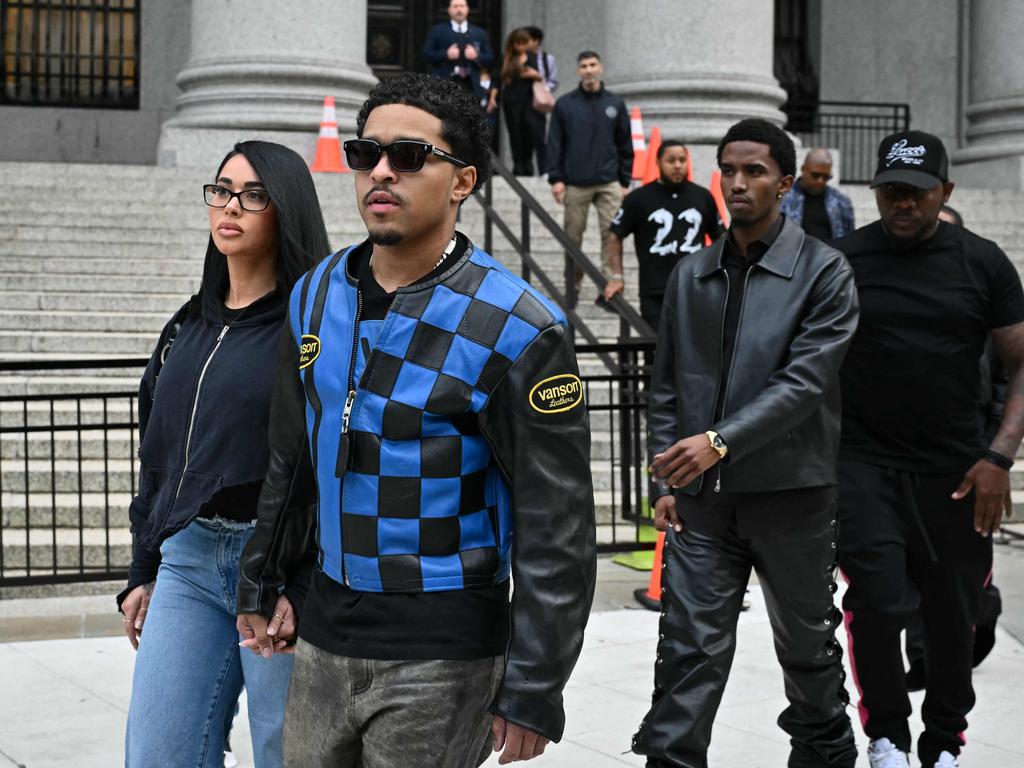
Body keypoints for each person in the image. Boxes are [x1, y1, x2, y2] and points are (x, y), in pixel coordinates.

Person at [236, 72, 597, 768]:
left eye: (407, 156)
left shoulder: (522, 325)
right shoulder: (313, 294)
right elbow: (291, 456)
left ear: (462, 181)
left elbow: (558, 526)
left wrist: (534, 687)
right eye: (364, 153)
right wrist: (263, 579)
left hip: (444, 652)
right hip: (323, 633)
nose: (380, 171)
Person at [631, 118, 859, 768]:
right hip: (704, 506)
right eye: (728, 169)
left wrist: (720, 441)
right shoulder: (691, 273)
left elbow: (806, 382)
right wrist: (666, 480)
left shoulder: (824, 271)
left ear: (785, 183)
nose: (737, 182)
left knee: (809, 655)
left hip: (793, 498)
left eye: (754, 170)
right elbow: (668, 384)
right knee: (685, 657)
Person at [118, 140, 330, 767]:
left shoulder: (312, 328)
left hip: (274, 566)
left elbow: (325, 462)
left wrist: (302, 580)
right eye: (221, 190)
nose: (230, 206)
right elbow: (156, 453)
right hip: (186, 560)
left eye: (254, 194)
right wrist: (143, 564)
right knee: (158, 753)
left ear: (285, 209)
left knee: (282, 754)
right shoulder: (188, 326)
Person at [834, 130, 1024, 768]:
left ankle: (944, 742)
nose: (903, 204)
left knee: (954, 615)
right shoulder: (844, 259)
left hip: (958, 472)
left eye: (916, 193)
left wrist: (999, 456)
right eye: (891, 191)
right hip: (863, 465)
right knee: (875, 604)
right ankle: (887, 737)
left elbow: (1021, 361)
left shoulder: (984, 261)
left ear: (945, 192)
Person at [903, 204, 1006, 693]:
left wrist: (993, 450)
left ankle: (984, 609)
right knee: (906, 564)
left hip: (969, 451)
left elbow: (1007, 377)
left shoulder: (985, 300)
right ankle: (921, 658)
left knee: (959, 565)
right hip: (902, 453)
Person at [603, 139, 724, 332]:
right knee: (655, 350)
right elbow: (615, 236)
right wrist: (617, 276)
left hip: (695, 288)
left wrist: (719, 274)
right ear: (658, 162)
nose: (677, 166)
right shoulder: (638, 198)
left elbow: (721, 238)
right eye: (671, 160)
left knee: (695, 348)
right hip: (654, 291)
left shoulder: (703, 197)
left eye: (682, 160)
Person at [546, 50, 633, 304]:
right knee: (572, 237)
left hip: (609, 182)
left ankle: (611, 287)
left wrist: (625, 181)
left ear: (601, 68)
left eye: (593, 64)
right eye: (583, 65)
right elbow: (555, 144)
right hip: (575, 182)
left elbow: (624, 143)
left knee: (612, 235)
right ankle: (572, 286)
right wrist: (556, 179)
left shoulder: (615, 104)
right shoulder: (565, 104)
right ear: (578, 71)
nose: (588, 69)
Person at [488, 28, 545, 176]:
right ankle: (518, 165)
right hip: (511, 101)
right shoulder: (506, 58)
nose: (521, 47)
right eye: (518, 43)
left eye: (524, 43)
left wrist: (535, 75)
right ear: (512, 44)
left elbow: (541, 78)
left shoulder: (533, 57)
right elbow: (496, 80)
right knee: (515, 133)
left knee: (530, 132)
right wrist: (493, 98)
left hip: (529, 100)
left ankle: (528, 163)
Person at [422, 0, 493, 102]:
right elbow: (425, 54)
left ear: (467, 9)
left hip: (472, 85)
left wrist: (476, 55)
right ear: (449, 10)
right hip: (445, 84)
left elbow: (490, 58)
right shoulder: (437, 31)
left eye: (462, 6)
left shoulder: (479, 33)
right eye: (455, 6)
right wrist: (446, 54)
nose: (459, 9)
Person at [780, 148, 855, 240]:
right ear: (803, 169)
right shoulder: (783, 198)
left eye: (826, 177)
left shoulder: (841, 202)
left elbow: (849, 237)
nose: (820, 181)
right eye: (815, 175)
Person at [523, 25, 557, 174]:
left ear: (536, 41)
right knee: (524, 138)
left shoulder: (546, 58)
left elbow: (553, 81)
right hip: (522, 101)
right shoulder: (520, 58)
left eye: (527, 39)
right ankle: (526, 170)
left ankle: (544, 170)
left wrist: (542, 89)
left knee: (539, 137)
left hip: (538, 103)